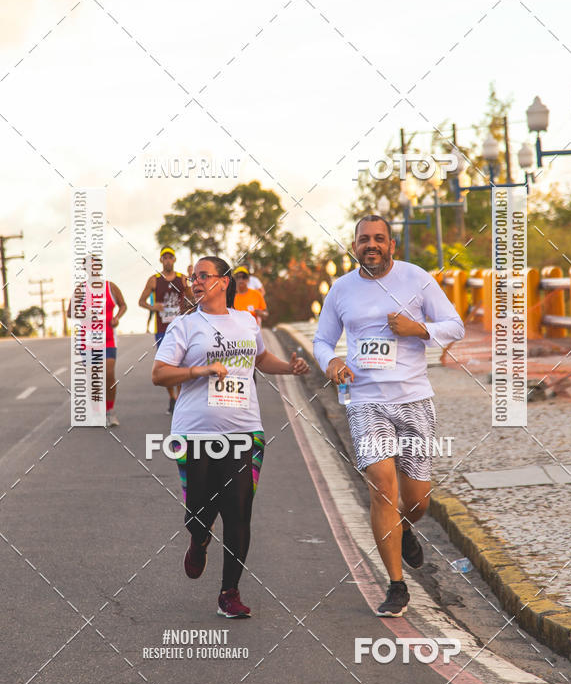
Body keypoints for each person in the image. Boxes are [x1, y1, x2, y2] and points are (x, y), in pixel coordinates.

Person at [313, 216, 464, 617]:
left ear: (392, 245)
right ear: (355, 245)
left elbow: (455, 326)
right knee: (382, 487)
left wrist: (418, 329)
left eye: (379, 239)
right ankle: (396, 586)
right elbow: (322, 339)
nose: (371, 245)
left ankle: (407, 527)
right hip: (365, 400)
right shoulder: (342, 289)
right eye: (364, 239)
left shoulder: (417, 279)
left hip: (414, 399)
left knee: (416, 500)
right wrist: (331, 362)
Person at [151, 256, 308, 618]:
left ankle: (229, 593)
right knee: (199, 513)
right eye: (193, 277)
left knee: (239, 512)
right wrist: (200, 370)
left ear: (223, 282)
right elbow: (159, 374)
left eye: (203, 276)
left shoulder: (246, 321)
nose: (196, 282)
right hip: (194, 433)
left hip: (244, 431)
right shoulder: (185, 327)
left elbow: (261, 359)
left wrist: (290, 368)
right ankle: (199, 536)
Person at [68, 273, 127, 427]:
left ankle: (110, 410)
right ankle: (96, 413)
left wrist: (117, 318)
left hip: (107, 338)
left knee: (108, 374)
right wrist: (83, 314)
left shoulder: (110, 287)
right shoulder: (81, 289)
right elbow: (70, 312)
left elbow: (123, 305)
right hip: (87, 340)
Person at [139, 247, 194, 413]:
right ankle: (172, 396)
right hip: (162, 328)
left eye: (170, 257)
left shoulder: (182, 279)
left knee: (180, 363)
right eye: (165, 258)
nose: (168, 260)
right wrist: (153, 306)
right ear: (161, 260)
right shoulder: (154, 280)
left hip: (181, 327)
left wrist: (185, 306)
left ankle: (180, 397)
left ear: (174, 260)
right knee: (166, 365)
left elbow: (193, 300)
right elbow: (141, 301)